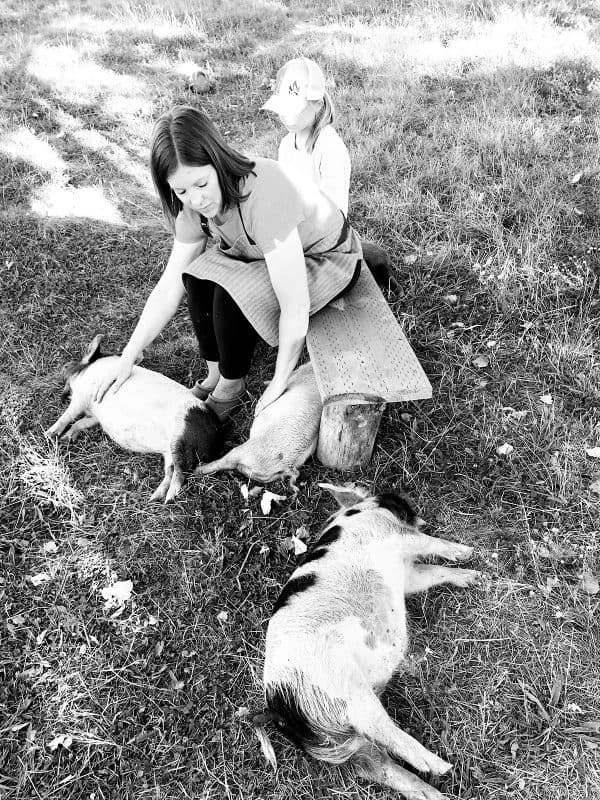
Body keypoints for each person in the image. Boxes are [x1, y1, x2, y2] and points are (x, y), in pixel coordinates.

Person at [94, 105, 362, 420]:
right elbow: (169, 286)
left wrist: (279, 382)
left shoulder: (265, 194)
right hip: (264, 253)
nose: (195, 199)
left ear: (218, 161)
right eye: (181, 190)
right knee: (194, 277)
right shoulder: (193, 205)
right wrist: (127, 357)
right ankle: (215, 375)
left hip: (326, 257)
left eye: (202, 184)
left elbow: (295, 304)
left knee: (230, 295)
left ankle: (232, 385)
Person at [262, 56, 394, 287]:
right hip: (296, 229)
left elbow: (334, 215)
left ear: (318, 104)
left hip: (326, 236)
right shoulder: (286, 144)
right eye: (283, 108)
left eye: (294, 108)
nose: (285, 115)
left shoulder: (329, 147)